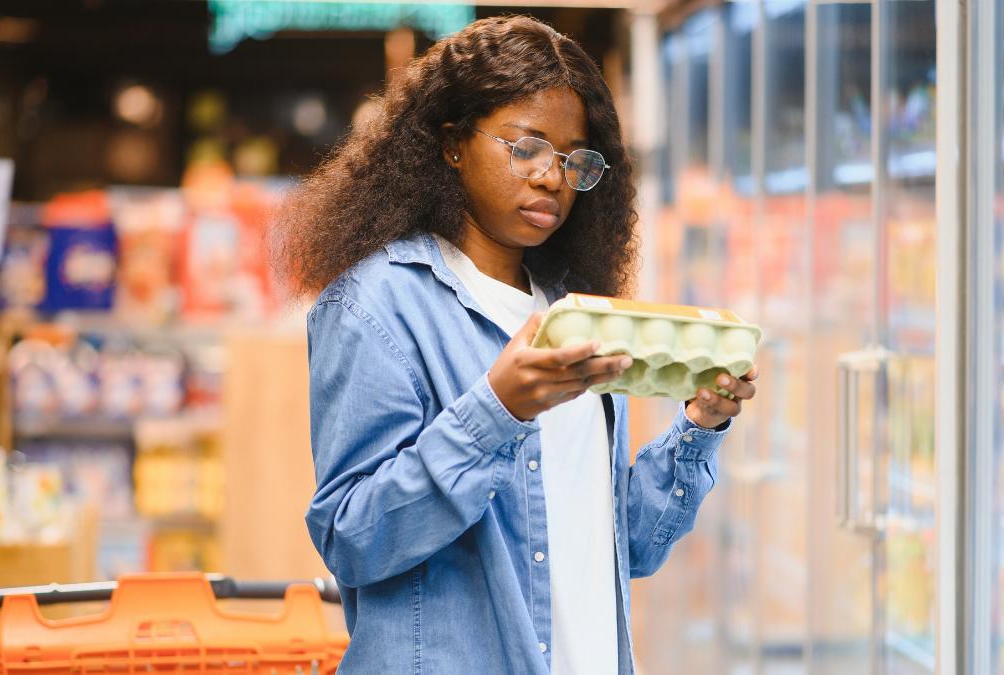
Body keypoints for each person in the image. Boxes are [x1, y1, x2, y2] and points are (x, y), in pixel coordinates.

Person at [272, 16, 758, 675]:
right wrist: (495, 412)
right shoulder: (377, 304)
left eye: (573, 160)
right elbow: (354, 537)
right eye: (526, 148)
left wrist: (700, 425)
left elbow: (623, 545)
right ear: (451, 143)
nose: (552, 178)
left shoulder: (571, 308)